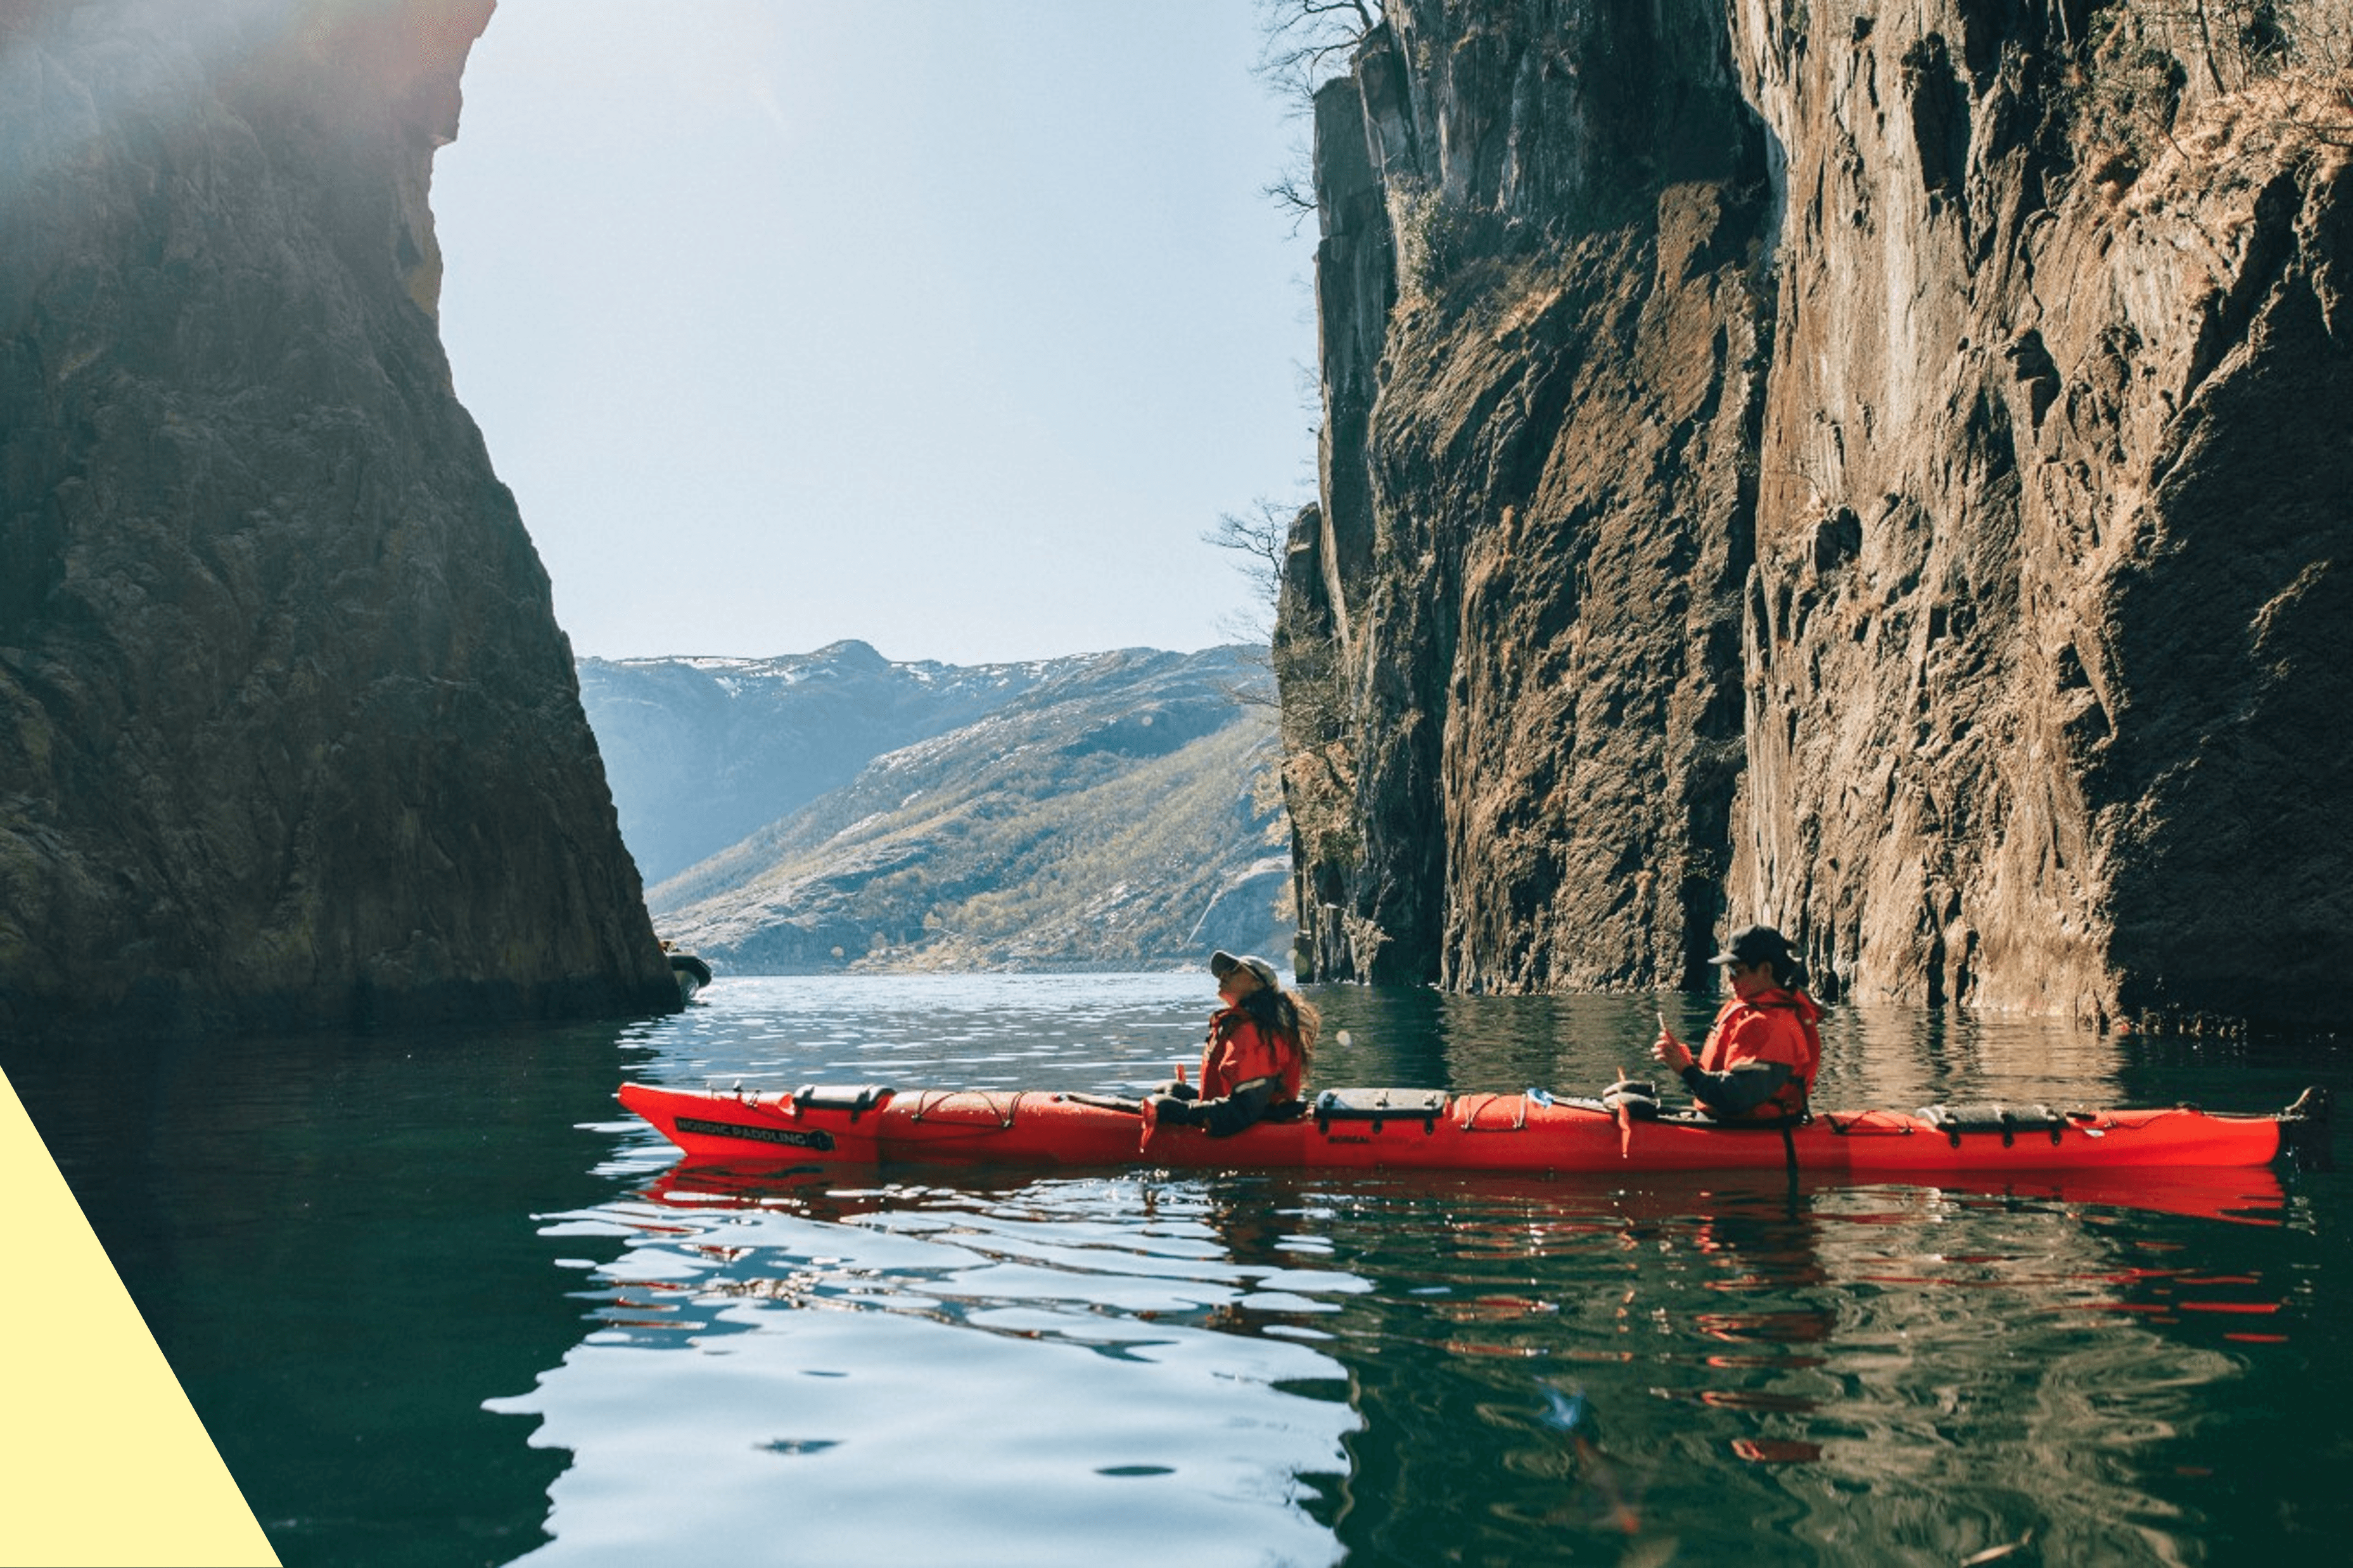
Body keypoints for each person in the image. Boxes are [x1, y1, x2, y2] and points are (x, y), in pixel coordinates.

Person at [1651, 924, 1821, 1122]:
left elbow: (1735, 1098)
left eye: (1737, 971)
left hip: (1752, 1130)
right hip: (1728, 1121)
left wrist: (1686, 1070)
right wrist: (1689, 1063)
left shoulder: (1773, 1025)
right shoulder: (1752, 1012)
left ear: (1766, 970)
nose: (1731, 979)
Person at [1143, 950, 1318, 1136]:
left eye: (1234, 971)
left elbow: (1246, 1110)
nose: (1223, 975)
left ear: (1257, 984)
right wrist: (1189, 1095)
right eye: (1224, 971)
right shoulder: (1245, 1026)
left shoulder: (1256, 1033)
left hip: (1250, 1129)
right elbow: (1245, 1097)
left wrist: (1186, 1113)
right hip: (1245, 1118)